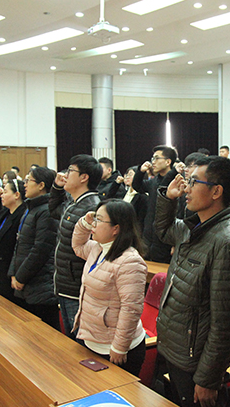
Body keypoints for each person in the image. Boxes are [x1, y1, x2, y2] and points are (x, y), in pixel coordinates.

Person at [156, 156, 230, 407]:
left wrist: (208, 378)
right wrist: (168, 199)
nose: (186, 188)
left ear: (216, 191)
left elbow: (228, 323)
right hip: (175, 349)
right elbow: (163, 231)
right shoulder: (194, 227)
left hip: (195, 363)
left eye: (193, 182)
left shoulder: (227, 243)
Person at [72, 200, 148, 376]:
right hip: (92, 338)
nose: (94, 224)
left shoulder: (130, 261)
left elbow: (131, 308)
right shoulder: (98, 249)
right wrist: (84, 223)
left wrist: (120, 347)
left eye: (99, 220)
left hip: (114, 347)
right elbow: (78, 246)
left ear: (116, 229)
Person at [50, 155, 102, 338]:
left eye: (70, 171)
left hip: (77, 289)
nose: (65, 174)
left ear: (84, 177)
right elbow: (54, 210)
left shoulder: (92, 208)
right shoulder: (74, 203)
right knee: (70, 341)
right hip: (66, 284)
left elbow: (94, 252)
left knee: (79, 343)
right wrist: (57, 188)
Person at [9, 167, 60, 330]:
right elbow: (19, 244)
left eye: (28, 180)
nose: (24, 184)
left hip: (41, 284)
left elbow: (41, 250)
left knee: (44, 334)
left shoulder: (47, 211)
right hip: (27, 281)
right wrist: (14, 273)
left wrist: (21, 277)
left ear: (41, 185)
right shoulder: (31, 209)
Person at [133, 145, 178, 263]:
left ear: (168, 162)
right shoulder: (154, 181)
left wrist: (175, 242)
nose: (153, 162)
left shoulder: (177, 181)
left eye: (157, 158)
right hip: (149, 232)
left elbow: (163, 188)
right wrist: (140, 171)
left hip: (165, 235)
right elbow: (137, 186)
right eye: (152, 158)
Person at [0, 179, 27, 306]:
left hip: (12, 269)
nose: (2, 195)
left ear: (17, 195)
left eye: (5, 192)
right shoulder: (5, 212)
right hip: (0, 268)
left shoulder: (23, 215)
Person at [117, 166, 148, 231]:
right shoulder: (126, 193)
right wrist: (116, 183)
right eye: (127, 175)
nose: (127, 177)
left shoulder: (143, 196)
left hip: (133, 230)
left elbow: (140, 220)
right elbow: (109, 196)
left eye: (130, 175)